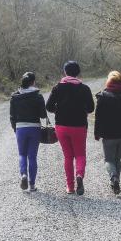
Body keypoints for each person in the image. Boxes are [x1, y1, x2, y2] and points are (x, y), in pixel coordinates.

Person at [46, 61, 94, 195]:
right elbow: (91, 108)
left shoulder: (57, 88)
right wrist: (81, 110)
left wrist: (59, 110)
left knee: (68, 156)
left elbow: (48, 107)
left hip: (61, 126)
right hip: (79, 126)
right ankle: (79, 175)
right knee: (80, 154)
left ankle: (70, 187)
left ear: (65, 72)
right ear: (78, 73)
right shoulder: (84, 88)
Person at [94, 71, 121, 194]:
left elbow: (98, 118)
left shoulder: (103, 97)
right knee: (117, 159)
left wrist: (97, 133)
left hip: (108, 135)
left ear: (109, 82)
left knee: (109, 160)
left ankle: (114, 178)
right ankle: (117, 183)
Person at [10, 71, 47, 192]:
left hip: (20, 128)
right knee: (32, 156)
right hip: (34, 128)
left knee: (22, 154)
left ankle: (23, 175)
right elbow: (42, 115)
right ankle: (32, 185)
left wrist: (15, 129)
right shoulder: (38, 96)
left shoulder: (15, 97)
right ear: (33, 82)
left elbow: (12, 116)